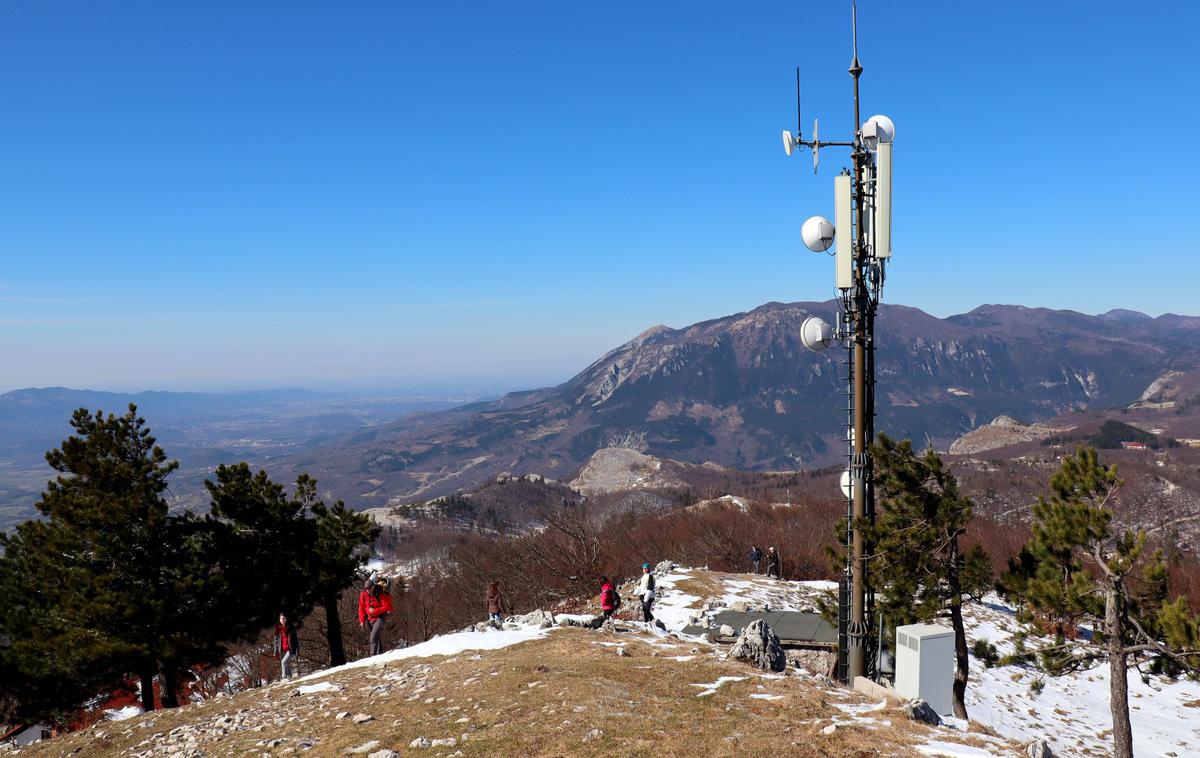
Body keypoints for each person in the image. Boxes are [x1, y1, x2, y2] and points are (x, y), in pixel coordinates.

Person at [358, 576, 394, 656]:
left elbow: (387, 606)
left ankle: (372, 656)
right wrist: (361, 620)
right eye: (366, 588)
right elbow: (361, 608)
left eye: (369, 588)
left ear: (373, 586)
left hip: (379, 618)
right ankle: (380, 653)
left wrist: (375, 611)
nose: (368, 590)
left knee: (373, 638)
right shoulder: (363, 594)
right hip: (369, 619)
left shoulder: (380, 593)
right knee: (376, 636)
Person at [273, 612, 299, 680]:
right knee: (285, 664)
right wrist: (275, 651)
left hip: (290, 648)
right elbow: (275, 641)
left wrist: (297, 650)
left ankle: (284, 677)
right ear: (279, 619)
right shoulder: (277, 628)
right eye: (281, 618)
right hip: (281, 649)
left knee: (283, 662)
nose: (282, 620)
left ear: (286, 619)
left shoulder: (291, 627)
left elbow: (296, 640)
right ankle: (289, 677)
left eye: (284, 618)